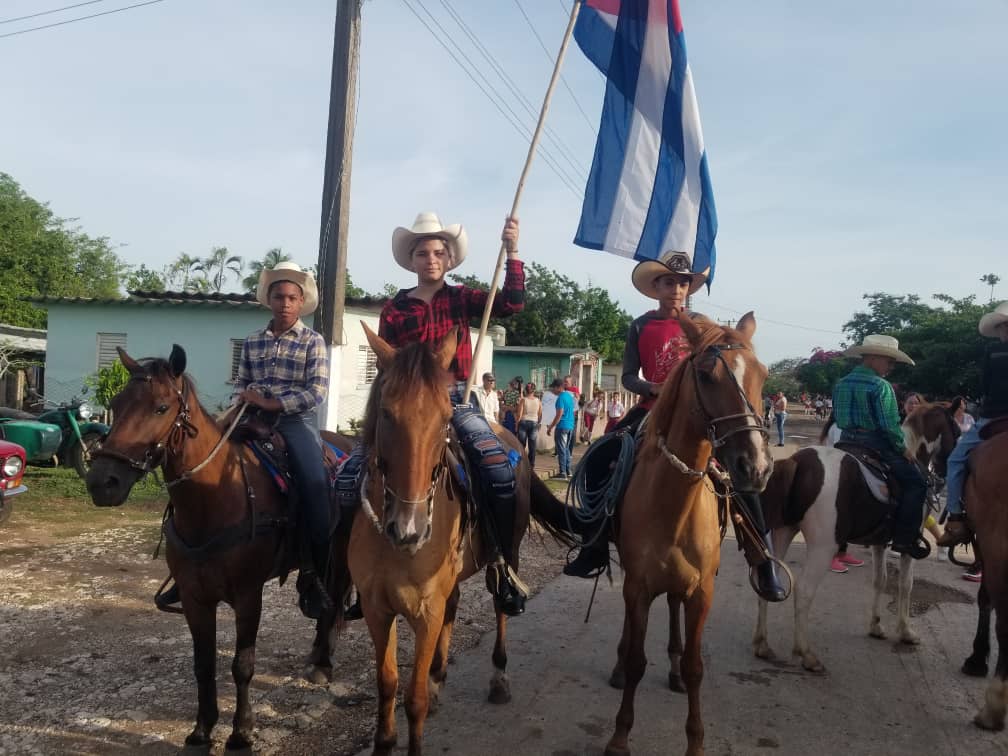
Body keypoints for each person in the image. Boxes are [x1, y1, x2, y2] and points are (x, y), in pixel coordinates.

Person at [563, 251, 787, 601]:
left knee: (740, 473)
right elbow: (626, 375)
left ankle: (763, 558)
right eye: (669, 282)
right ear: (656, 287)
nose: (677, 289)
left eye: (683, 283)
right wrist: (651, 387)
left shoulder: (704, 326)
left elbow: (725, 364)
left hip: (698, 413)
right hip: (652, 407)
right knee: (600, 455)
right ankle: (593, 543)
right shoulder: (640, 325)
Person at [158, 262, 333, 617]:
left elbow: (316, 391)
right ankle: (186, 564)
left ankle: (315, 571)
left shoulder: (313, 341)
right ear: (269, 299)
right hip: (248, 415)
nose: (285, 303)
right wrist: (245, 398)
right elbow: (241, 381)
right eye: (279, 296)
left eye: (292, 297)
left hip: (294, 420)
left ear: (301, 302)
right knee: (198, 465)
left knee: (315, 483)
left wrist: (271, 402)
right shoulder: (253, 340)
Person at [376, 211, 528, 616]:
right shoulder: (394, 309)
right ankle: (352, 575)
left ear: (448, 260)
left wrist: (513, 251)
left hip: (454, 399)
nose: (431, 259)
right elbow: (385, 367)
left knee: (497, 469)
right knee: (349, 478)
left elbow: (513, 303)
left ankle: (500, 559)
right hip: (406, 405)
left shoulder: (463, 299)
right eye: (423, 253)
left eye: (438, 252)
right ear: (411, 260)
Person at [833, 334, 929, 559]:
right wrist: (903, 448)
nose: (891, 367)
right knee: (917, 484)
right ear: (874, 358)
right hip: (875, 444)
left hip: (845, 441)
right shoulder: (881, 386)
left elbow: (837, 417)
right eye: (890, 361)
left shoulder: (841, 383)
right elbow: (889, 426)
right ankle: (905, 539)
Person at [937, 301, 1008, 547]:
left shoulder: (991, 351)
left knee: (955, 460)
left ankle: (955, 518)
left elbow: (984, 386)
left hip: (993, 417)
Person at [546, 378, 576, 479]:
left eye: (553, 387)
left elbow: (559, 414)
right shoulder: (569, 396)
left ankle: (562, 472)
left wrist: (550, 427)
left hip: (562, 426)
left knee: (561, 449)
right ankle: (568, 470)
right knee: (566, 449)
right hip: (570, 426)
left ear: (559, 387)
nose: (552, 390)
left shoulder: (560, 398)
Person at [516, 382, 542, 466]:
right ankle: (531, 464)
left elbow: (519, 414)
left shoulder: (523, 400)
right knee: (532, 445)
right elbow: (540, 413)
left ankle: (521, 462)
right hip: (534, 423)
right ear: (534, 390)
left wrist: (516, 425)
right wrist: (539, 423)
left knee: (521, 444)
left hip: (523, 422)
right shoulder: (538, 400)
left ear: (526, 390)